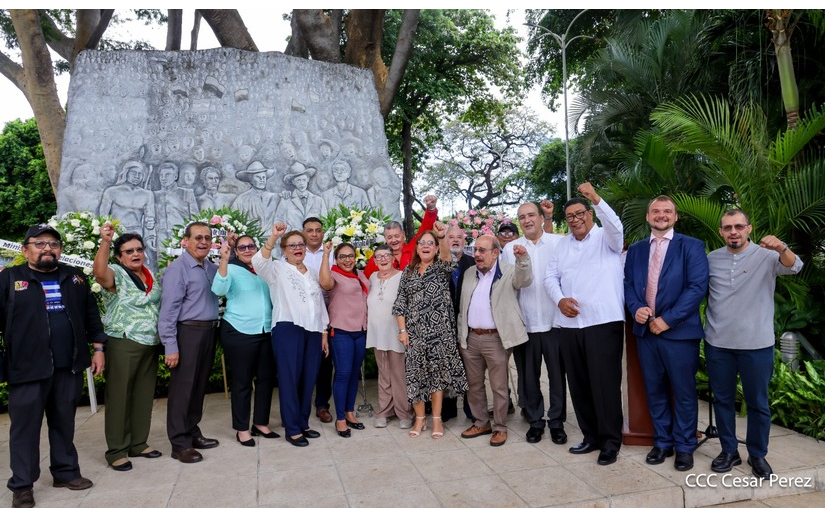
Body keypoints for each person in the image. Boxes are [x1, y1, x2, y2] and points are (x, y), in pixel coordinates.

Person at [0, 224, 106, 508]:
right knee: (24, 429)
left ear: (60, 249)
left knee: (64, 423)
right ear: (25, 250)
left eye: (53, 243)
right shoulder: (10, 279)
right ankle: (22, 485)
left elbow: (91, 316)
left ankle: (66, 472)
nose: (47, 248)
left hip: (67, 366)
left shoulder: (75, 278)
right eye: (39, 243)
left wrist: (98, 348)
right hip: (25, 369)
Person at [704, 209, 802, 479]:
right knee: (722, 400)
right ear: (721, 232)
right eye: (727, 228)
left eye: (738, 226)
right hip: (718, 343)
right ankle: (729, 451)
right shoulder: (711, 259)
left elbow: (795, 266)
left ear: (749, 228)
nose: (733, 231)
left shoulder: (768, 256)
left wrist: (782, 246)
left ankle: (757, 455)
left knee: (757, 402)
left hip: (757, 344)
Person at [624, 195, 709, 472]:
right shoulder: (636, 250)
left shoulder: (692, 246)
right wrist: (636, 307)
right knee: (655, 389)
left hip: (679, 334)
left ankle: (684, 446)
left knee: (683, 392)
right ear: (648, 217)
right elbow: (628, 284)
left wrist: (668, 320)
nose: (662, 215)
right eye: (656, 211)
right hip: (645, 333)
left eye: (667, 211)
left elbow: (697, 287)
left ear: (675, 217)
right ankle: (662, 442)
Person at [544, 183, 625, 466]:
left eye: (580, 213)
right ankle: (590, 437)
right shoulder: (562, 244)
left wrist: (597, 198)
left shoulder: (607, 237)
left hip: (603, 322)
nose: (576, 219)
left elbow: (616, 226)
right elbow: (550, 278)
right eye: (570, 216)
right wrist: (559, 300)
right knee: (578, 384)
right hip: (569, 325)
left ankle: (610, 442)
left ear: (590, 214)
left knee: (605, 384)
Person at [252, 223, 330, 447]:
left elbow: (319, 304)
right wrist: (274, 236)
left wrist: (324, 331)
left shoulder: (312, 273)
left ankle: (303, 422)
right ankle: (292, 428)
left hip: (314, 330)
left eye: (301, 244)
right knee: (289, 379)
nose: (297, 248)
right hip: (288, 328)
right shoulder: (276, 269)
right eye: (292, 245)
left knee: (308, 379)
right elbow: (258, 261)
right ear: (284, 249)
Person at [93, 223, 163, 472]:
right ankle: (117, 451)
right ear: (119, 256)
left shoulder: (148, 273)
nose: (135, 254)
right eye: (129, 251)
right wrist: (105, 241)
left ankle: (138, 443)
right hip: (123, 341)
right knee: (120, 397)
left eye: (139, 249)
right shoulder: (115, 273)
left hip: (149, 343)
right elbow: (99, 274)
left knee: (143, 396)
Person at [392, 222, 468, 439]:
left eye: (430, 243)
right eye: (422, 243)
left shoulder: (442, 267)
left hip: (440, 334)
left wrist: (442, 237)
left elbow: (447, 258)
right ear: (416, 248)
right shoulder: (408, 271)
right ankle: (420, 418)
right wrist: (402, 329)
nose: (425, 246)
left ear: (435, 248)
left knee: (436, 377)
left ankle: (436, 419)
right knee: (415, 377)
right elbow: (400, 303)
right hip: (414, 335)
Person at [501, 201, 567, 445]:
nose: (527, 220)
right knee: (528, 377)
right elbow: (509, 286)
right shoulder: (510, 249)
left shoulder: (559, 243)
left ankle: (557, 421)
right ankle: (536, 421)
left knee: (557, 376)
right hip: (526, 322)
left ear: (541, 218)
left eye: (531, 215)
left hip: (555, 322)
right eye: (522, 217)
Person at [457, 235, 532, 447]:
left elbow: (524, 280)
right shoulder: (470, 272)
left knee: (499, 387)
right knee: (474, 385)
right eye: (476, 250)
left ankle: (499, 427)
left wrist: (523, 259)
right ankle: (481, 422)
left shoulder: (508, 271)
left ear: (495, 252)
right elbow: (463, 306)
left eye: (482, 250)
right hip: (471, 338)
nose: (477, 255)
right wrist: (461, 335)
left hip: (495, 339)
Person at [159, 222, 221, 464]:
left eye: (207, 237)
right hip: (188, 333)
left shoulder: (209, 267)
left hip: (208, 332)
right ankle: (179, 443)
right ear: (186, 241)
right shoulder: (178, 269)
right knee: (182, 391)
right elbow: (168, 311)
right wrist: (170, 346)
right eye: (198, 237)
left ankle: (192, 432)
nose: (203, 242)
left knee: (197, 388)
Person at [211, 236, 278, 447]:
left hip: (265, 330)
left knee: (266, 378)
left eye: (251, 246)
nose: (247, 250)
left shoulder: (264, 269)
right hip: (239, 331)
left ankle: (260, 423)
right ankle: (242, 428)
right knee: (242, 382)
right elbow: (219, 290)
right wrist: (224, 260)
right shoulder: (231, 269)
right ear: (236, 252)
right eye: (242, 247)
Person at [319, 242, 369, 438]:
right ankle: (340, 419)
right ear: (336, 259)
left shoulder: (361, 274)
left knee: (354, 373)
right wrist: (326, 254)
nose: (347, 260)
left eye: (350, 256)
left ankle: (349, 412)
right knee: (343, 374)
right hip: (341, 332)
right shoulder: (333, 275)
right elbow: (324, 283)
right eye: (342, 256)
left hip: (360, 331)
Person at [366, 244, 413, 429]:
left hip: (396, 333)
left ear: (393, 258)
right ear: (375, 260)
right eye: (379, 256)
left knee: (399, 375)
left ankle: (404, 412)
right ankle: (384, 411)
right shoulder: (372, 278)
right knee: (383, 374)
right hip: (377, 334)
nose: (383, 259)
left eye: (386, 255)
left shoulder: (403, 277)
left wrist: (405, 331)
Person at [363, 194, 439, 278]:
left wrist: (431, 209)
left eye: (396, 236)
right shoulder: (378, 258)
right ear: (385, 239)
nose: (394, 240)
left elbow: (425, 229)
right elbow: (365, 280)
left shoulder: (414, 247)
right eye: (389, 237)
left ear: (403, 235)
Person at [233, 161, 280, 236]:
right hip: (250, 241)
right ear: (251, 180)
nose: (262, 180)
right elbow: (234, 221)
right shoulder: (241, 199)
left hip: (273, 241)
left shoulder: (274, 197)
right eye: (258, 177)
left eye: (264, 177)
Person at [276, 162, 328, 231]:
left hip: (314, 239)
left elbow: (325, 222)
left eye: (304, 180)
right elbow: (279, 221)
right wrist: (294, 232)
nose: (302, 183)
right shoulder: (286, 200)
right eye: (298, 180)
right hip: (293, 239)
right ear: (293, 182)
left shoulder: (319, 200)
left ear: (308, 180)